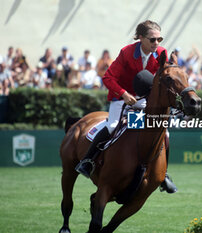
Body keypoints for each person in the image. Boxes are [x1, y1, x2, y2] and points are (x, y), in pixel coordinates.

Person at [75, 20, 177, 193]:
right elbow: (107, 78)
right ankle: (87, 161)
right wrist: (123, 93)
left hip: (143, 100)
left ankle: (164, 174)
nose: (157, 43)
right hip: (121, 98)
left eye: (160, 39)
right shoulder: (127, 52)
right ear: (140, 38)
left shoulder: (162, 53)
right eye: (152, 40)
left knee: (164, 132)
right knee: (113, 126)